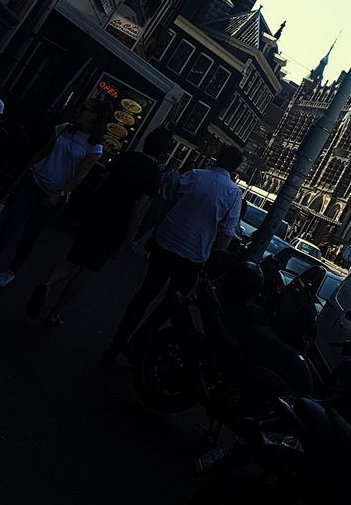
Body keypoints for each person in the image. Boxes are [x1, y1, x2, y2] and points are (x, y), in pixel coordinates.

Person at [102, 144, 244, 361]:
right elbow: (225, 233)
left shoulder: (193, 176)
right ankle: (139, 345)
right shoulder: (234, 194)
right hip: (193, 256)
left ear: (217, 158)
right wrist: (214, 263)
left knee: (145, 293)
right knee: (170, 305)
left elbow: (169, 204)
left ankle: (118, 341)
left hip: (167, 242)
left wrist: (156, 232)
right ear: (236, 168)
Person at [25, 127, 175, 328]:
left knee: (72, 257)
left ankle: (47, 284)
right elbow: (139, 210)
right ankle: (54, 313)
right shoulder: (153, 176)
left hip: (97, 212)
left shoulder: (125, 157)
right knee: (85, 269)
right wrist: (127, 240)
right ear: (163, 153)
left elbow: (104, 180)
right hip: (115, 224)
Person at [0, 98, 111, 288]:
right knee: (12, 223)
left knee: (30, 234)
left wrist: (59, 194)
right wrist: (22, 175)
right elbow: (42, 152)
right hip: (35, 180)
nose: (79, 110)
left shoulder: (94, 148)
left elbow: (80, 176)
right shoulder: (64, 128)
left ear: (93, 116)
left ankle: (11, 271)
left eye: (84, 109)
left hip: (52, 194)